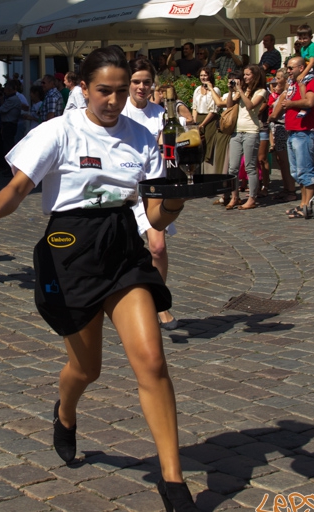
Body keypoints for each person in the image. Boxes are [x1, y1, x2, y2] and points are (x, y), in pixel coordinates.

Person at [0, 46, 203, 512]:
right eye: (104, 91)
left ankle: (173, 479)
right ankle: (66, 411)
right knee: (86, 368)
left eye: (121, 92)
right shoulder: (59, 130)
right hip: (69, 249)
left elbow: (154, 211)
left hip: (122, 246)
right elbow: (19, 186)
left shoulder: (142, 137)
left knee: (152, 360)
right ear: (82, 87)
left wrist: (174, 203)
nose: (114, 100)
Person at [122, 58, 178, 330]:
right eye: (136, 81)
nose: (141, 87)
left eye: (146, 82)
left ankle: (160, 304)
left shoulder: (160, 113)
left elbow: (174, 147)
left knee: (157, 247)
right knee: (122, 249)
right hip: (124, 190)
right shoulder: (118, 112)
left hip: (155, 188)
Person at [220, 66, 268, 210]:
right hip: (236, 132)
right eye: (244, 75)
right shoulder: (243, 91)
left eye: (247, 75)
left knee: (250, 167)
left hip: (251, 132)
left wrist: (241, 91)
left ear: (255, 76)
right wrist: (231, 91)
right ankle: (235, 197)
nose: (245, 77)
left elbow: (250, 106)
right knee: (232, 168)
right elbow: (229, 106)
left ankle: (252, 198)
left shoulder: (261, 91)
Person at [283, 57, 314, 219]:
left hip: (304, 131)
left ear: (301, 67)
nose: (288, 71)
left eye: (291, 68)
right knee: (297, 172)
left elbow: (310, 102)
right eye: (287, 68)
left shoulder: (310, 82)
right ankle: (303, 204)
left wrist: (290, 104)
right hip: (292, 131)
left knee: (305, 171)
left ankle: (307, 206)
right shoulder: (292, 84)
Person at [267, 69, 296, 202]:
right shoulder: (283, 92)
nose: (276, 81)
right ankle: (286, 188)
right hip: (278, 126)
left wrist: (268, 119)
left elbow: (275, 113)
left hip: (281, 125)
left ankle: (290, 190)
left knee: (284, 161)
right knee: (280, 160)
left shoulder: (286, 93)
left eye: (279, 78)